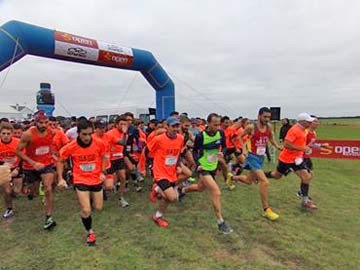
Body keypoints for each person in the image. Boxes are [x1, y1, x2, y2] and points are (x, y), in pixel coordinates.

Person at [227, 107, 282, 220]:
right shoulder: (252, 127)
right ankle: (266, 210)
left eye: (268, 117)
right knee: (264, 181)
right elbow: (240, 137)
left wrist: (276, 146)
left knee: (248, 181)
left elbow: (270, 138)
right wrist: (244, 149)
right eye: (265, 117)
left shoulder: (269, 127)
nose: (267, 119)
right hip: (252, 157)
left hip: (260, 157)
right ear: (259, 116)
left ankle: (232, 177)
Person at [58, 120, 107, 246]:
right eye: (84, 134)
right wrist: (60, 178)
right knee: (86, 210)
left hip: (96, 178)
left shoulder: (99, 144)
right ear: (78, 133)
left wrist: (103, 172)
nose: (87, 137)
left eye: (90, 134)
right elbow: (60, 160)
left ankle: (89, 204)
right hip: (80, 179)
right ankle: (90, 232)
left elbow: (104, 157)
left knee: (99, 207)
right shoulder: (71, 146)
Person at [182, 113, 233, 234]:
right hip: (203, 167)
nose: (217, 127)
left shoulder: (220, 133)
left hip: (213, 166)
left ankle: (182, 191)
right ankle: (220, 222)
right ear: (208, 123)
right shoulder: (201, 136)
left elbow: (225, 147)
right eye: (215, 124)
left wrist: (223, 153)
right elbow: (195, 152)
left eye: (218, 124)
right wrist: (198, 164)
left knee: (200, 187)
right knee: (216, 191)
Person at [265, 113, 318, 210]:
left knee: (306, 177)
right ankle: (260, 176)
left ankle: (305, 201)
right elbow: (286, 144)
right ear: (302, 122)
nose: (310, 122)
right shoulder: (294, 130)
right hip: (286, 160)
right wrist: (302, 148)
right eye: (308, 121)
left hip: (297, 159)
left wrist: (309, 147)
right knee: (276, 175)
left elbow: (307, 139)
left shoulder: (304, 130)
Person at [16, 110, 57, 230]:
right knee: (33, 193)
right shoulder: (28, 134)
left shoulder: (52, 132)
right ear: (35, 122)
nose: (43, 125)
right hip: (31, 166)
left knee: (48, 188)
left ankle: (48, 217)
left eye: (46, 122)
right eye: (41, 123)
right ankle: (28, 188)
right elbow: (18, 151)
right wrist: (33, 162)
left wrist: (52, 154)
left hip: (46, 164)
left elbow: (48, 145)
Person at [147, 117, 185, 228]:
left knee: (167, 198)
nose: (175, 128)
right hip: (160, 172)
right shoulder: (158, 139)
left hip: (171, 172)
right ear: (167, 127)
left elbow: (178, 154)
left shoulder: (181, 138)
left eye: (177, 126)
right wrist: (146, 167)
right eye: (173, 126)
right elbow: (147, 151)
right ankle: (157, 187)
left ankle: (158, 216)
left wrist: (178, 166)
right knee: (173, 197)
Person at [106, 115, 130, 207]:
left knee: (123, 178)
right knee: (110, 185)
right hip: (109, 159)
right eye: (121, 124)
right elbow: (122, 142)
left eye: (125, 124)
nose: (124, 126)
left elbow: (123, 145)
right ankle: (103, 190)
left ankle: (121, 198)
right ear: (116, 125)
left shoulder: (125, 134)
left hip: (119, 158)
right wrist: (124, 133)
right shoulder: (111, 133)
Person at [0, 123, 23, 218]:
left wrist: (17, 169)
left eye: (8, 133)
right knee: (7, 191)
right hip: (3, 168)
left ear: (12, 134)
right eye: (3, 133)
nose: (6, 136)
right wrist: (3, 166)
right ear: (0, 134)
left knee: (16, 191)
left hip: (16, 168)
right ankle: (9, 209)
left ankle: (12, 194)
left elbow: (23, 158)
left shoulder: (18, 143)